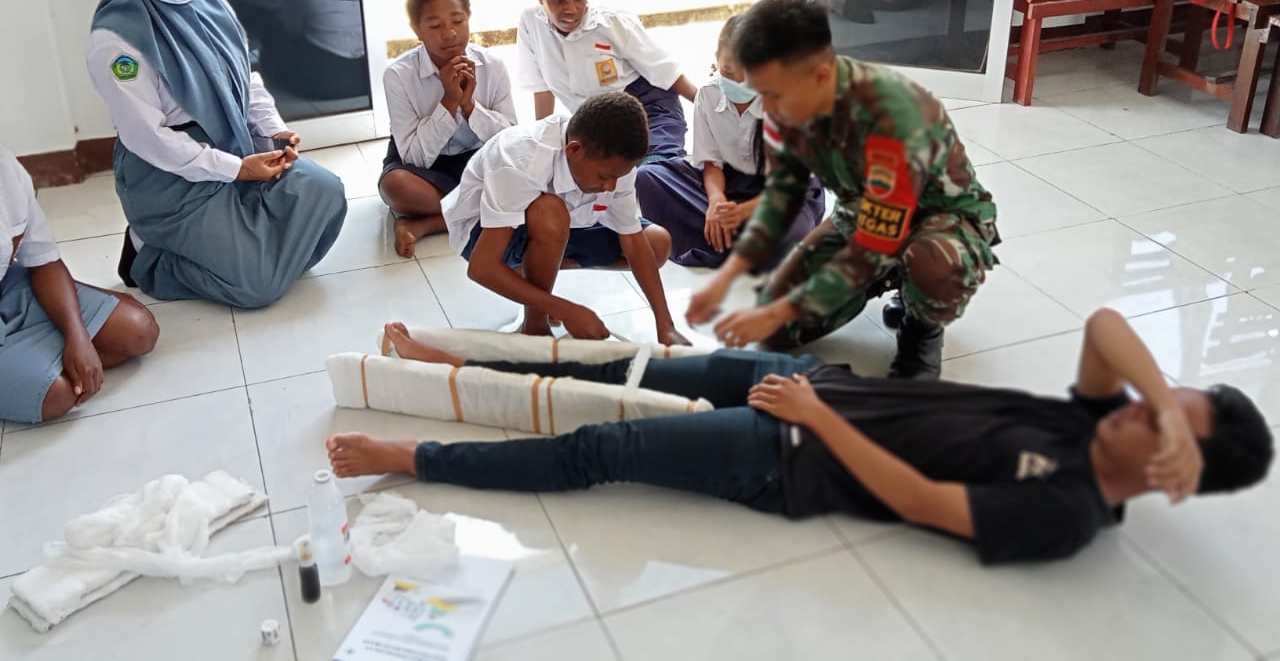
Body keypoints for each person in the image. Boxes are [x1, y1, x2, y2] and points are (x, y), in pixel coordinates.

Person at [327, 309, 1273, 565]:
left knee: (601, 449)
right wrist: (1163, 400)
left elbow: (922, 502)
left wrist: (816, 421)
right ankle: (445, 364)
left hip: (790, 451)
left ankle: (413, 458)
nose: (1139, 407)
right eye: (1156, 401)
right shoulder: (1097, 417)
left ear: (1172, 471)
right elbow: (1106, 327)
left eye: (1161, 423)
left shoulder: (1067, 510)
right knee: (622, 368)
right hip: (812, 385)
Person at [685, 0, 999, 379]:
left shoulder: (889, 116)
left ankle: (922, 328)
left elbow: (878, 240)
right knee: (778, 330)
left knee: (932, 263)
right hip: (859, 215)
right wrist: (728, 278)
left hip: (937, 219)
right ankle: (888, 278)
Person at [87, 0, 348, 309]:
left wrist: (272, 129)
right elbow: (149, 139)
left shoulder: (213, 5)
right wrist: (236, 170)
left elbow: (246, 79)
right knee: (257, 288)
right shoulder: (117, 42)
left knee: (326, 193)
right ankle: (148, 256)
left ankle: (247, 249)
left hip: (236, 149)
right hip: (173, 179)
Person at [440, 93, 688, 345]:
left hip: (565, 222)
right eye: (604, 177)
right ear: (574, 150)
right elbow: (482, 268)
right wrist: (564, 309)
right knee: (550, 212)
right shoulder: (523, 159)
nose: (610, 186)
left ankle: (534, 275)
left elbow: (633, 241)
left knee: (656, 243)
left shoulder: (613, 164)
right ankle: (535, 325)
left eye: (618, 177)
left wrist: (665, 326)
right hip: (483, 236)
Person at [635, 15, 825, 267]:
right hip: (729, 184)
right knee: (648, 177)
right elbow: (711, 163)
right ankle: (737, 238)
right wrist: (716, 202)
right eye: (727, 71)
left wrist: (740, 212)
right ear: (716, 59)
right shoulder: (708, 94)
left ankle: (731, 238)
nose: (736, 82)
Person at [1, 147, 158, 423]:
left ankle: (32, 360)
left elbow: (43, 261)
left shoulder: (5, 168)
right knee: (57, 394)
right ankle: (33, 366)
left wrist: (78, 336)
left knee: (138, 330)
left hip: (7, 286)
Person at [380, 0, 516, 258]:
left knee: (530, 177)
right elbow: (414, 157)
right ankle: (486, 208)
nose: (450, 33)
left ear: (469, 17)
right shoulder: (398, 75)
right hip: (426, 165)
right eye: (435, 26)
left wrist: (470, 107)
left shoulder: (493, 65)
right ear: (416, 30)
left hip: (478, 155)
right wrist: (450, 102)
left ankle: (426, 224)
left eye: (457, 21)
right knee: (396, 187)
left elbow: (510, 140)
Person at [515, 0, 697, 161]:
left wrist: (711, 107)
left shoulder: (612, 24)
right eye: (559, 0)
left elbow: (667, 72)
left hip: (650, 111)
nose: (571, 8)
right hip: (598, 125)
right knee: (585, 173)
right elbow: (542, 89)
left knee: (652, 171)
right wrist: (542, 146)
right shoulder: (531, 23)